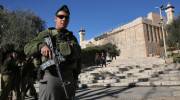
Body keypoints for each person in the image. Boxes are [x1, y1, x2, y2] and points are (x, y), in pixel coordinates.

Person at [24, 5, 81, 100]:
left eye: (66, 17)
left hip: (69, 78)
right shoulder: (46, 34)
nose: (64, 19)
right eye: (61, 17)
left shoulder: (72, 38)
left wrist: (75, 77)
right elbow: (27, 48)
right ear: (55, 19)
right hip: (51, 77)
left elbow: (79, 58)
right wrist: (41, 46)